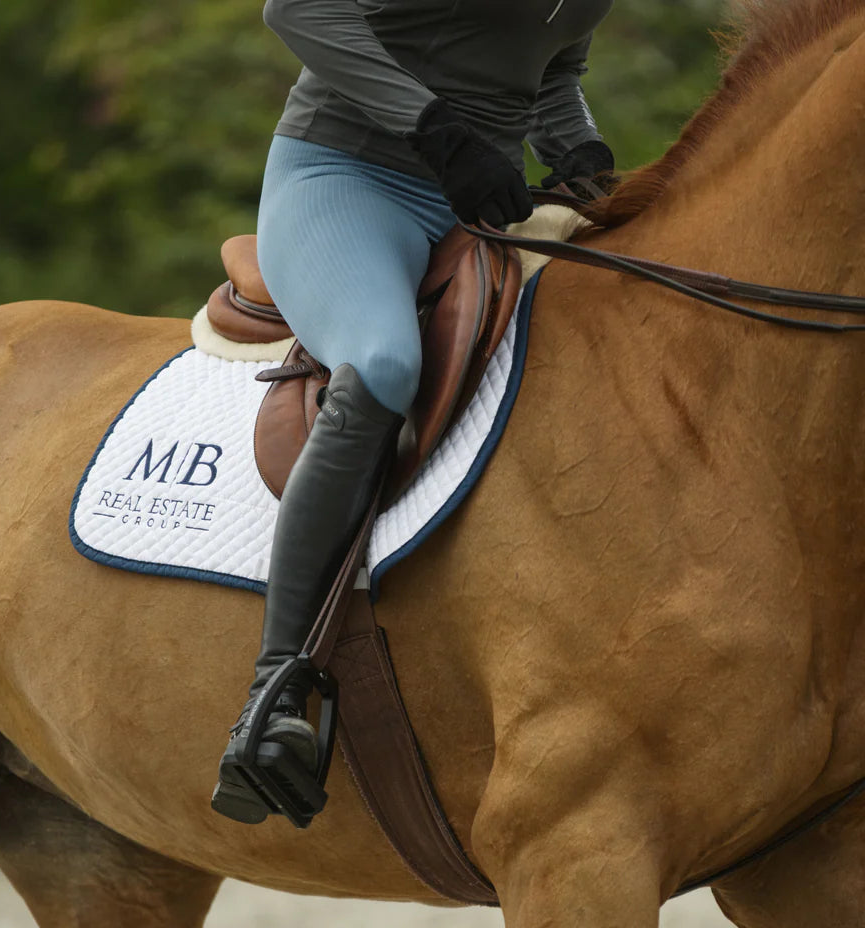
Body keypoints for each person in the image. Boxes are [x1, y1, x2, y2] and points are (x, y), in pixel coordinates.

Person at [211, 0, 616, 824]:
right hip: (348, 178)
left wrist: (577, 149)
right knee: (385, 364)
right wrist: (438, 129)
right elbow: (297, 10)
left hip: (476, 203)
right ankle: (277, 691)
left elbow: (551, 72)